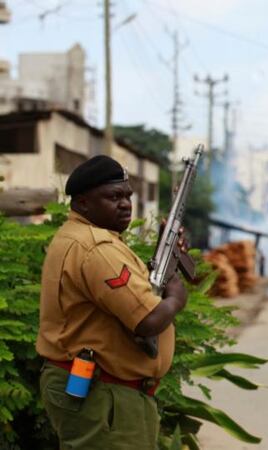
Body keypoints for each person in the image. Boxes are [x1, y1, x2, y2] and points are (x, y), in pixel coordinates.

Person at [36, 155, 188, 449]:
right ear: (82, 203)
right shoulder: (96, 247)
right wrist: (176, 298)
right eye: (113, 196)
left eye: (128, 196)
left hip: (94, 390)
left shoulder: (78, 237)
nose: (125, 204)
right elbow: (148, 321)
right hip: (104, 396)